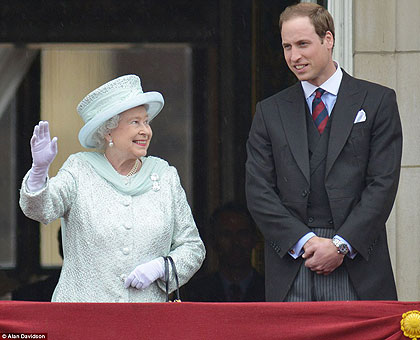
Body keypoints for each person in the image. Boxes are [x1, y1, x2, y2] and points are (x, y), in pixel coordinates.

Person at [245, 3, 402, 302]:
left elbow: (383, 183)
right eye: (287, 46)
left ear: (328, 39)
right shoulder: (269, 111)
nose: (294, 56)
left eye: (303, 44)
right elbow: (258, 190)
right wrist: (305, 242)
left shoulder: (378, 100)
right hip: (293, 266)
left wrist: (340, 245)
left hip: (358, 266)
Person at [19, 74, 205, 302]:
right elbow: (41, 209)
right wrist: (39, 171)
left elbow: (193, 247)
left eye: (146, 122)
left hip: (145, 322)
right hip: (83, 320)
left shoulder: (165, 176)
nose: (145, 130)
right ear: (108, 131)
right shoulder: (79, 170)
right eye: (135, 122)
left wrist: (162, 268)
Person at [185, 203, 265, 302]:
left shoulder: (269, 289)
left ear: (254, 238)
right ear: (213, 240)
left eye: (242, 234)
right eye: (227, 234)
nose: (235, 242)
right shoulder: (195, 291)